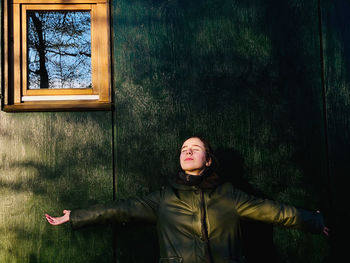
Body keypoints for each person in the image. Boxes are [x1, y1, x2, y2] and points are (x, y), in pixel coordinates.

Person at [46, 136, 329, 263]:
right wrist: (77, 215)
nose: (188, 151)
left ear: (208, 161)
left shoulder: (229, 194)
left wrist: (314, 221)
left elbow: (273, 211)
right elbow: (121, 209)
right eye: (184, 148)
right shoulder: (165, 197)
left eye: (195, 148)